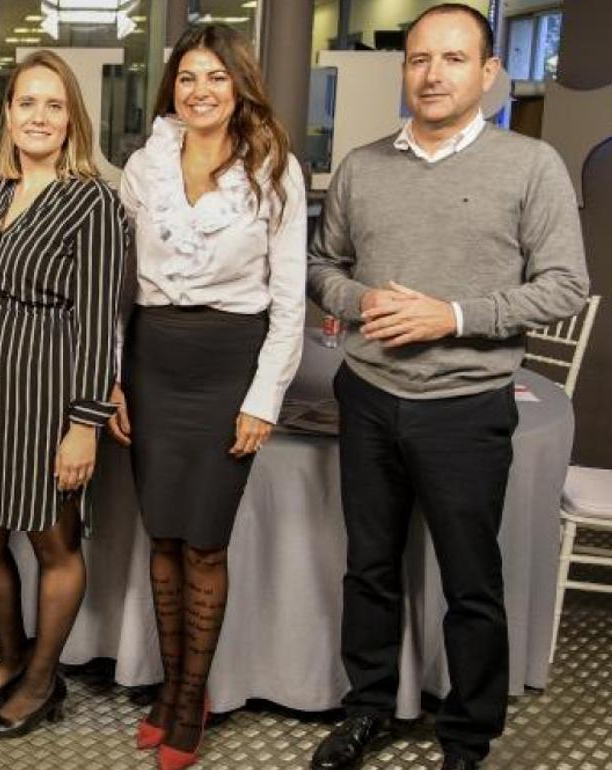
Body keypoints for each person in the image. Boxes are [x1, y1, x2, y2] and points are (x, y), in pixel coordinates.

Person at [307, 6, 589, 770]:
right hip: (367, 397)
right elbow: (321, 266)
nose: (432, 74)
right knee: (368, 568)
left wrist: (453, 315)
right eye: (419, 59)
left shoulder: (531, 167)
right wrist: (357, 301)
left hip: (466, 407)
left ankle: (467, 739)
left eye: (454, 59)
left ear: (488, 73)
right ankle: (368, 709)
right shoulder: (363, 166)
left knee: (471, 582)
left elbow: (567, 284)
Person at [106, 23, 307, 770]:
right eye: (187, 78)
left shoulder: (274, 169)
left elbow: (289, 303)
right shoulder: (143, 166)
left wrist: (263, 400)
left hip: (229, 364)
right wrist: (114, 379)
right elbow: (119, 290)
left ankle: (193, 698)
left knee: (205, 541)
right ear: (172, 89)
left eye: (215, 78)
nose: (200, 91)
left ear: (239, 85)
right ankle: (168, 686)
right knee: (161, 535)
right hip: (154, 359)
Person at [0, 49, 128, 741]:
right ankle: (13, 654)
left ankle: (42, 682)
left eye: (55, 105)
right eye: (28, 102)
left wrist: (85, 423)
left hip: (49, 398)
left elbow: (96, 322)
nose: (40, 116)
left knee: (54, 540)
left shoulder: (92, 203)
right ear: (9, 113)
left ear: (72, 118)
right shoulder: (2, 192)